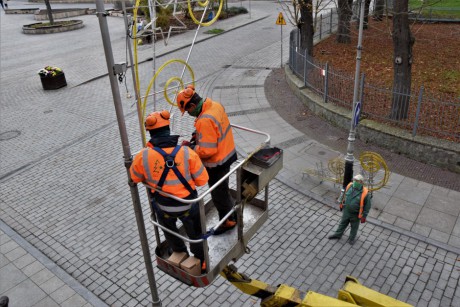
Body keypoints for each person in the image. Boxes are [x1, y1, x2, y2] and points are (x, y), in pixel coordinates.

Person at [130, 110, 209, 271]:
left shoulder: (143, 156)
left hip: (164, 207)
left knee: (167, 226)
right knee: (196, 233)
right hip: (188, 205)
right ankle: (201, 259)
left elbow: (134, 178)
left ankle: (179, 250)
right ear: (168, 128)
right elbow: (203, 180)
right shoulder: (187, 152)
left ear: (150, 133)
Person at [177, 85, 238, 235]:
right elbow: (215, 131)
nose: (189, 113)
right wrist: (196, 136)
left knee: (219, 194)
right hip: (228, 155)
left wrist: (191, 148)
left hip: (217, 164)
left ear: (192, 105)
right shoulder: (214, 106)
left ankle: (228, 221)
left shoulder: (204, 120)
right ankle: (232, 214)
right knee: (223, 189)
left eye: (188, 111)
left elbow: (208, 151)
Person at [328, 174, 371, 245]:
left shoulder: (365, 193)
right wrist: (341, 204)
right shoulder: (349, 186)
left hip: (356, 214)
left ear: (361, 182)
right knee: (342, 223)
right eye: (354, 180)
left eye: (357, 181)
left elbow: (367, 206)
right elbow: (344, 195)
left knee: (354, 227)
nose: (354, 182)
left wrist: (364, 216)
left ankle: (351, 238)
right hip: (347, 210)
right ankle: (338, 234)